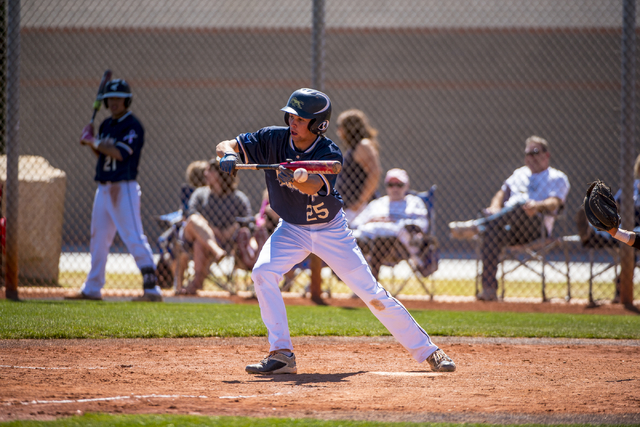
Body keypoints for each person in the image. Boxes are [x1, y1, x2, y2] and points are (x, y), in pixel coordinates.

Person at [216, 88, 456, 375]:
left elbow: (314, 185)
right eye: (291, 116)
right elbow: (225, 144)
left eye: (301, 118)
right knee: (262, 272)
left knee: (371, 293)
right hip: (292, 228)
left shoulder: (329, 152)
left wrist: (295, 177)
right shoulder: (272, 138)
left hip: (330, 230)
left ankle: (430, 351)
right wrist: (228, 155)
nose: (293, 122)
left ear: (318, 124)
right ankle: (281, 353)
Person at [66, 78, 162, 302]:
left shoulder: (132, 125)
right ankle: (92, 288)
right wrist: (91, 142)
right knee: (98, 238)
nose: (115, 102)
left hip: (124, 188)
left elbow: (120, 153)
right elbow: (103, 155)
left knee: (133, 236)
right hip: (104, 188)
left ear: (127, 100)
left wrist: (94, 141)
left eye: (119, 98)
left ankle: (151, 289)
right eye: (111, 98)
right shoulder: (106, 125)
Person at [448, 135, 570, 302]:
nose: (531, 157)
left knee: (520, 204)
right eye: (528, 153)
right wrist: (494, 208)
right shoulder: (519, 173)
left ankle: (478, 226)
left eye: (535, 152)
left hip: (536, 227)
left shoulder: (557, 177)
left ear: (546, 155)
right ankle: (489, 289)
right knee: (492, 234)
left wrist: (537, 205)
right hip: (508, 226)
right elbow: (501, 193)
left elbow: (555, 202)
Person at [177, 159, 264, 295]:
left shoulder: (238, 198)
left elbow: (248, 223)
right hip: (199, 237)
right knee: (195, 225)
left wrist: (231, 230)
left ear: (220, 174)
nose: (205, 174)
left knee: (200, 244)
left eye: (209, 171)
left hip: (227, 242)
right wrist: (211, 229)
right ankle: (215, 251)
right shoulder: (200, 194)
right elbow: (191, 214)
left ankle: (196, 284)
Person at [351, 168, 428, 280]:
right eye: (391, 184)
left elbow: (421, 225)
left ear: (407, 186)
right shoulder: (377, 203)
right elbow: (356, 223)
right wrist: (372, 220)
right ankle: (353, 278)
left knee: (381, 240)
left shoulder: (414, 203)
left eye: (399, 185)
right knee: (352, 239)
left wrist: (394, 221)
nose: (395, 188)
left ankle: (372, 282)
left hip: (397, 245)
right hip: (368, 240)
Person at [335, 109, 382, 223]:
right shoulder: (354, 147)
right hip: (350, 207)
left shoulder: (363, 145)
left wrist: (360, 202)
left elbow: (374, 173)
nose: (338, 131)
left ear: (349, 128)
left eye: (340, 126)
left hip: (361, 209)